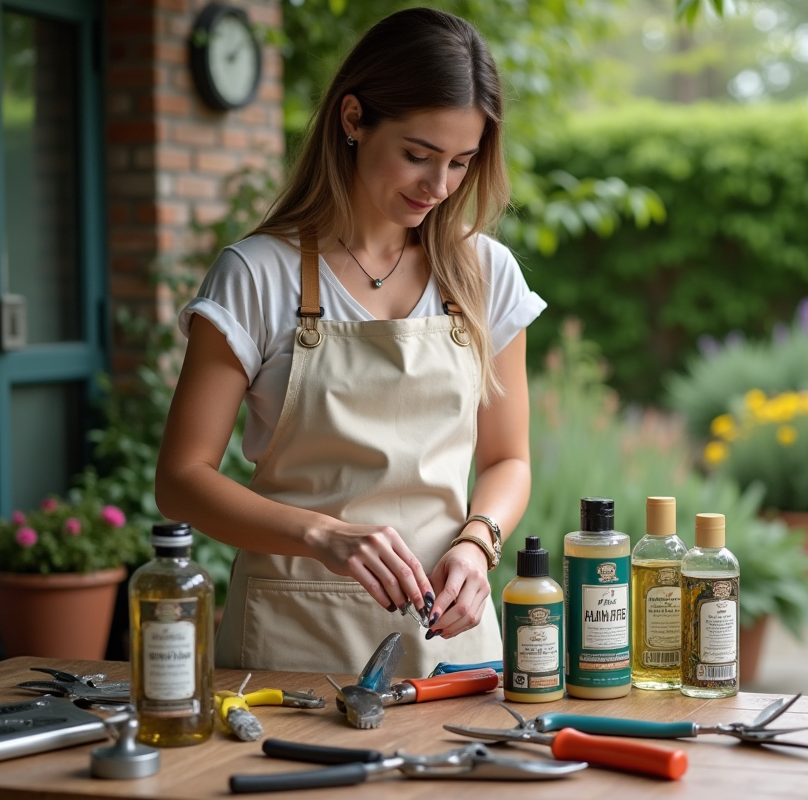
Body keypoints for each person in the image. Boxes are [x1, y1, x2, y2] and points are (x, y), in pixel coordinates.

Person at [155, 7, 544, 678]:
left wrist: (479, 545)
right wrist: (322, 535)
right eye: (418, 156)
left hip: (447, 649)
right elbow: (181, 480)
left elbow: (508, 457)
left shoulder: (486, 274)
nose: (440, 187)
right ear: (354, 119)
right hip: (289, 646)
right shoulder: (258, 275)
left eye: (460, 162)